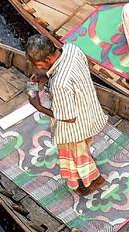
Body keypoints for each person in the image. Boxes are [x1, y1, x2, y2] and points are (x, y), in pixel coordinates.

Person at [25, 35, 109, 196]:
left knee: (74, 156)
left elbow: (68, 118)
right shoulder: (72, 49)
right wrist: (47, 75)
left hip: (75, 128)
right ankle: (89, 170)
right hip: (89, 110)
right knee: (82, 150)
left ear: (48, 58)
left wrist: (39, 107)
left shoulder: (60, 84)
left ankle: (94, 180)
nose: (36, 68)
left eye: (38, 64)